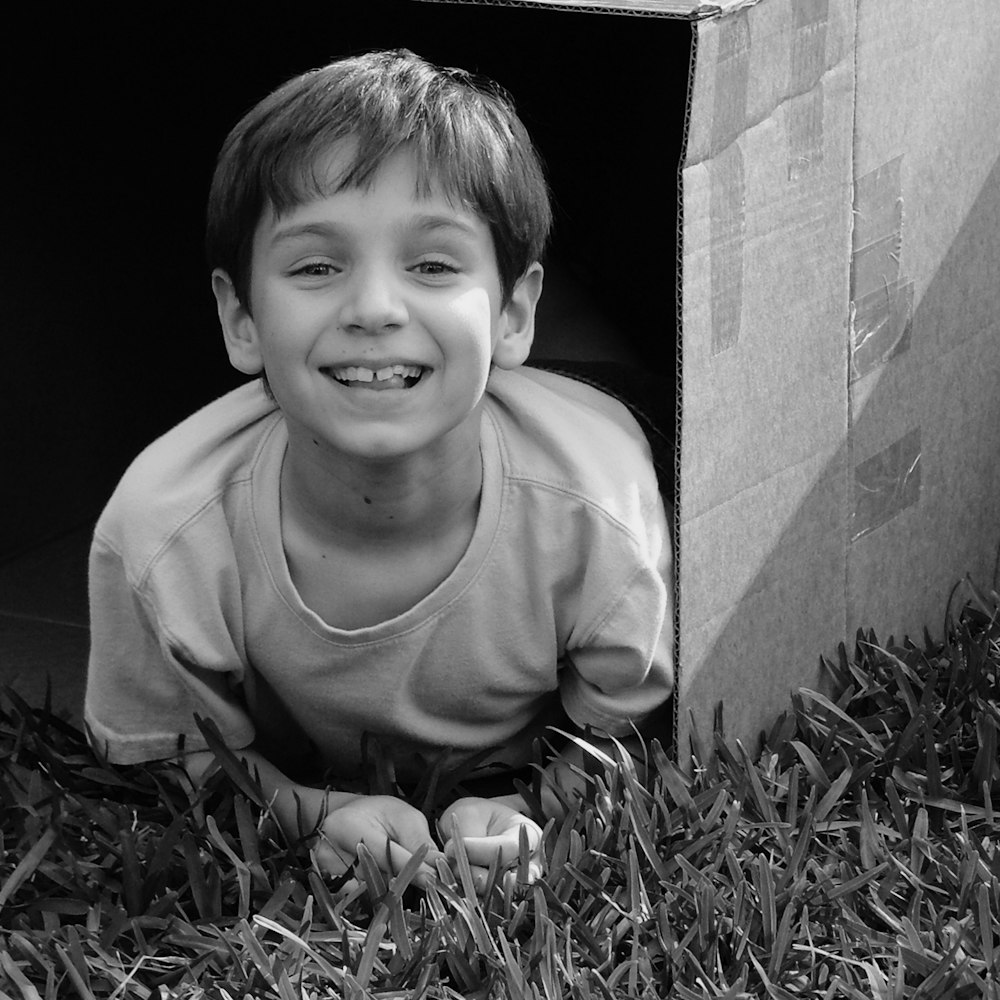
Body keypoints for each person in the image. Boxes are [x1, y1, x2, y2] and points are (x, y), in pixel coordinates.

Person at [84, 48, 673, 892]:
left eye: (431, 263)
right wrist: (308, 811)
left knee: (610, 359)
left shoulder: (600, 507)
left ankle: (569, 289)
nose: (372, 308)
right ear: (241, 319)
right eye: (317, 266)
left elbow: (628, 729)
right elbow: (178, 758)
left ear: (512, 313)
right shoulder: (162, 531)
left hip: (590, 403)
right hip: (470, 380)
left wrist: (542, 808)